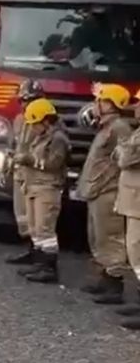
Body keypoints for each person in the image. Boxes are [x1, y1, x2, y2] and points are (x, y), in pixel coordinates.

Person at [77, 84, 133, 303]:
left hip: (108, 191)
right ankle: (104, 278)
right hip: (96, 191)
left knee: (110, 237)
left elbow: (124, 160)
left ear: (111, 104)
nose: (96, 104)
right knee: (97, 237)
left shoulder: (119, 128)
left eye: (101, 100)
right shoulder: (105, 127)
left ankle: (114, 285)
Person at [14, 98, 69, 284]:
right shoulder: (41, 137)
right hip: (34, 186)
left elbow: (55, 163)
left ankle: (49, 269)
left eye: (35, 124)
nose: (33, 128)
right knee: (35, 228)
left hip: (47, 188)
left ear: (46, 120)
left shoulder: (58, 139)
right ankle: (39, 263)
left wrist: (29, 160)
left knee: (45, 229)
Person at [2, 79, 45, 265]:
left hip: (35, 176)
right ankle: (30, 250)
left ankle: (40, 256)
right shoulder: (20, 120)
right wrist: (5, 168)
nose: (26, 105)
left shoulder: (46, 123)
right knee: (23, 217)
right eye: (23, 101)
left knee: (38, 219)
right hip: (20, 174)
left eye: (30, 100)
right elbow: (11, 146)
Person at [113, 90, 140, 330]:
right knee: (134, 249)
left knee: (137, 248)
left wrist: (123, 150)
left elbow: (123, 159)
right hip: (133, 198)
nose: (136, 108)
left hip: (138, 199)